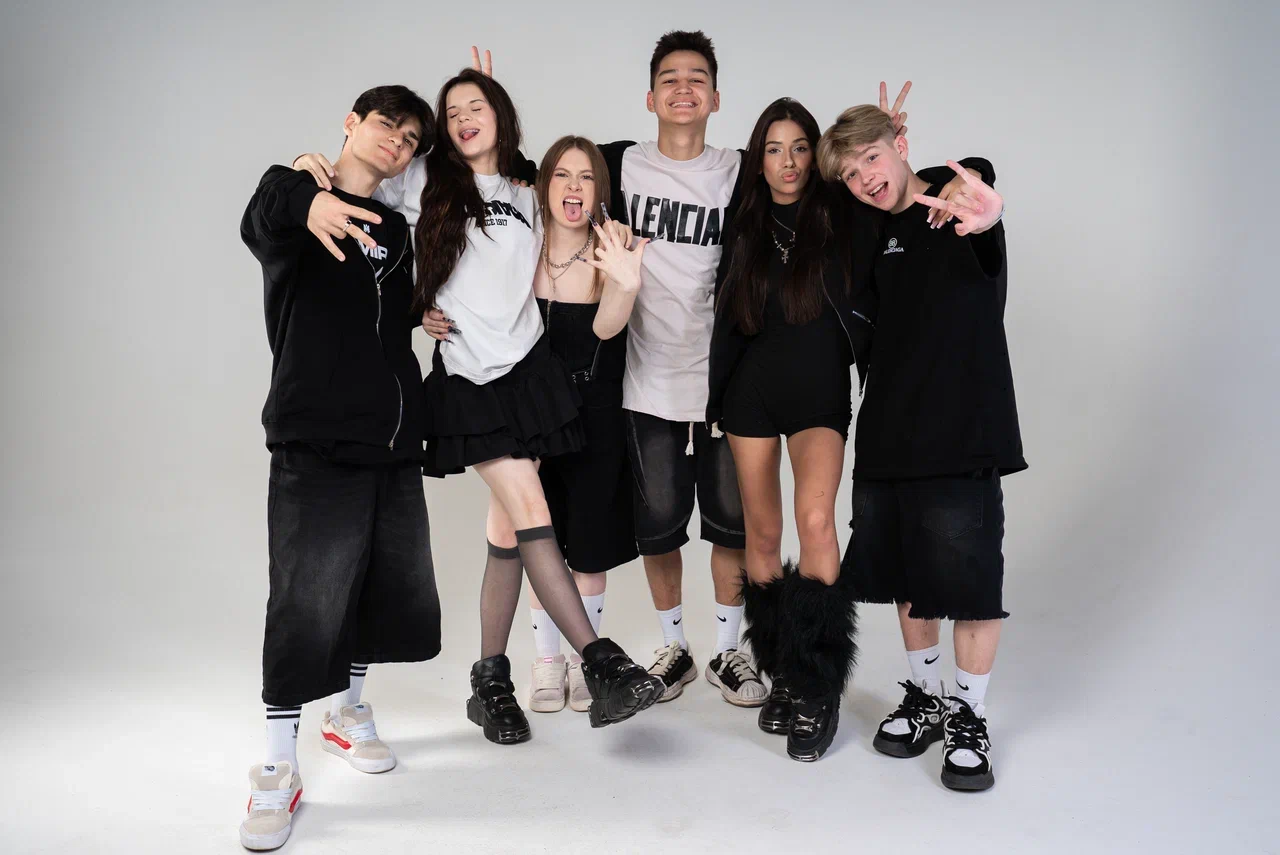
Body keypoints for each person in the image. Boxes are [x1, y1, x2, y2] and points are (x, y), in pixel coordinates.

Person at [298, 69, 664, 742]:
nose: (464, 118)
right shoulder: (425, 179)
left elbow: (578, 202)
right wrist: (303, 173)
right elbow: (357, 176)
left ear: (501, 114)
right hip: (469, 379)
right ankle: (603, 662)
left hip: (529, 374)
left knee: (506, 531)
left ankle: (489, 682)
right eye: (453, 112)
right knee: (531, 507)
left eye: (478, 107)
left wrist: (620, 272)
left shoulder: (528, 192)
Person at [708, 97, 989, 762]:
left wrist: (957, 166)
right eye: (773, 149)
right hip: (750, 393)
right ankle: (783, 672)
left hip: (820, 394)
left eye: (800, 147)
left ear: (817, 157)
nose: (787, 161)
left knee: (816, 521)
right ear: (758, 158)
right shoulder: (743, 218)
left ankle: (818, 682)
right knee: (762, 533)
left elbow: (914, 186)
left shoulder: (844, 211)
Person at [238, 84, 440, 850]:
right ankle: (277, 764)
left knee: (378, 588)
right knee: (306, 598)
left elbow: (388, 310)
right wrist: (304, 191)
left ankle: (347, 712)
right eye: (388, 124)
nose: (399, 141)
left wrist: (424, 312)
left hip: (391, 440)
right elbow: (263, 209)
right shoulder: (297, 204)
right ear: (352, 123)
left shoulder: (397, 227)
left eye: (411, 138)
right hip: (314, 436)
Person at [818, 104, 1019, 790]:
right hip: (888, 432)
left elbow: (980, 220)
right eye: (850, 173)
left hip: (961, 432)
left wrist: (983, 208)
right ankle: (928, 697)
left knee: (970, 584)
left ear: (901, 145)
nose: (864, 179)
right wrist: (874, 166)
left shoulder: (958, 208)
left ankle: (969, 714)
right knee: (908, 580)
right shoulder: (871, 232)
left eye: (872, 158)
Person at [513, 136, 648, 714]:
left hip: (595, 414)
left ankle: (583, 660)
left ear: (600, 191)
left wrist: (625, 280)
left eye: (587, 177)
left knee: (588, 550)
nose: (574, 186)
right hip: (531, 417)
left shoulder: (612, 246)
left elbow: (607, 330)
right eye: (563, 175)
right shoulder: (521, 243)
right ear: (544, 185)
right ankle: (546, 661)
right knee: (539, 540)